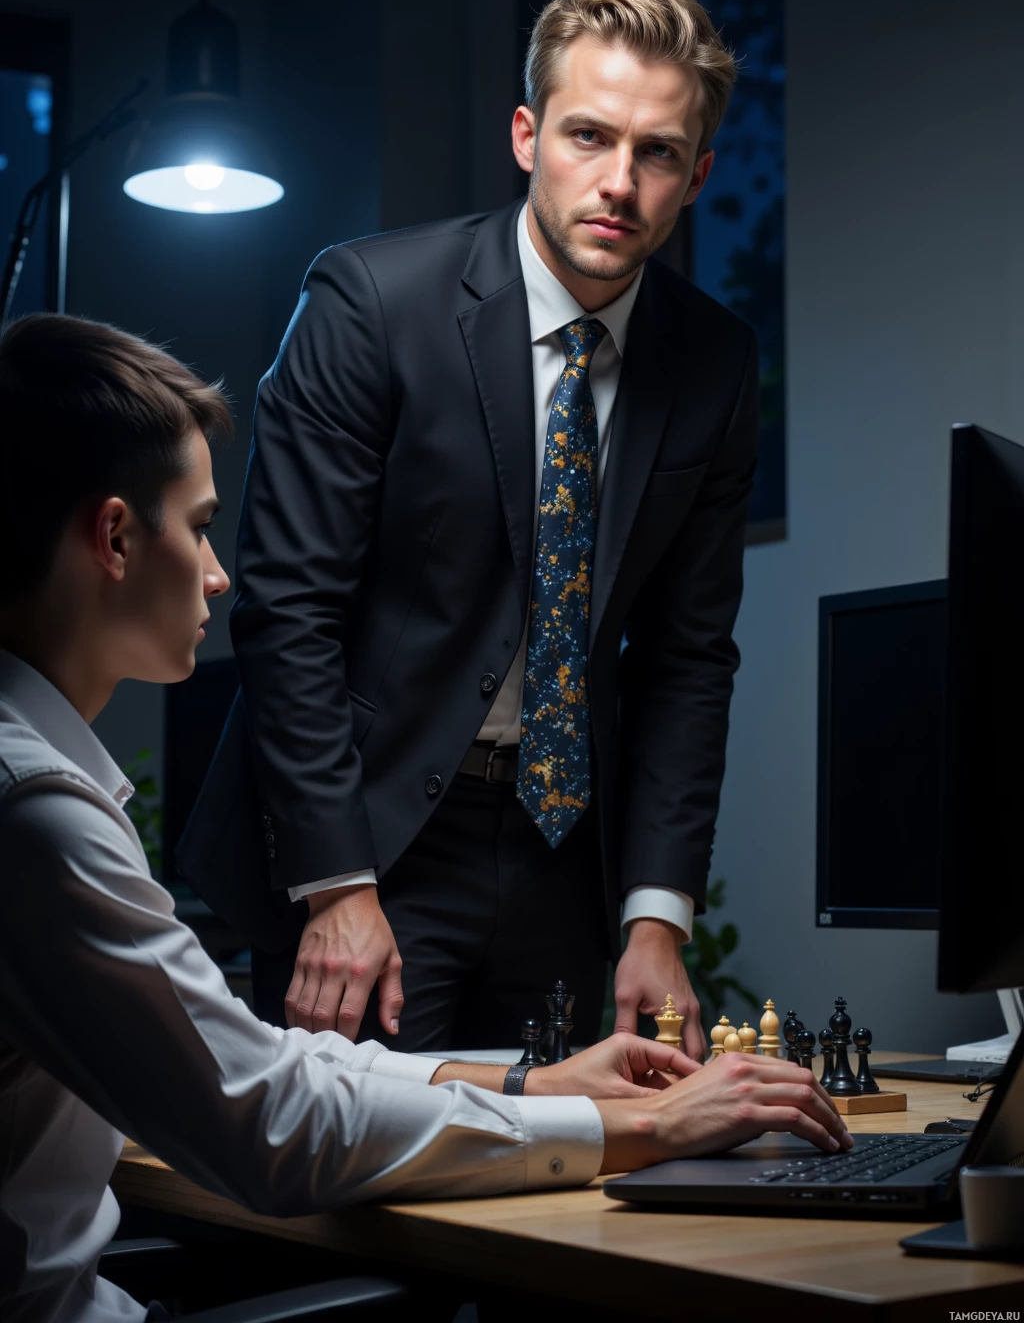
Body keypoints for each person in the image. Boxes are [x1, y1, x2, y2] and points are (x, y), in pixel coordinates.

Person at [0, 315, 851, 1323]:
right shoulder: (35, 816)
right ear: (112, 537)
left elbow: (264, 1063)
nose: (222, 573)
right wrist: (646, 1130)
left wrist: (535, 1082)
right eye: (197, 526)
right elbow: (269, 1123)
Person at [180, 0, 758, 1060]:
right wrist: (336, 886)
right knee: (351, 1199)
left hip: (562, 856)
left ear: (698, 175)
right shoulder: (369, 305)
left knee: (548, 1185)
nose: (619, 183)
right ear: (526, 134)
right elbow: (287, 612)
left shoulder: (715, 363)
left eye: (659, 154)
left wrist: (656, 915)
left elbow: (688, 658)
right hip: (372, 839)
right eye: (589, 137)